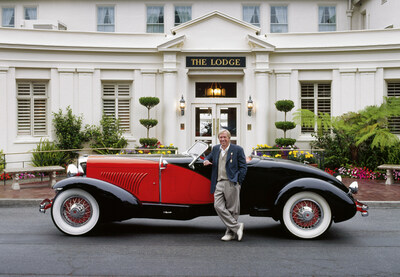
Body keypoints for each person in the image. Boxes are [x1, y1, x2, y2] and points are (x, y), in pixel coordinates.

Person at [203, 129, 247, 241]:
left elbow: (243, 167)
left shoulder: (237, 149)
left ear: (229, 138)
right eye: (220, 137)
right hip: (219, 182)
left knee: (232, 209)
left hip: (231, 182)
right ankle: (237, 227)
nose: (222, 139)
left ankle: (230, 233)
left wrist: (238, 181)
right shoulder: (216, 148)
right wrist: (206, 160)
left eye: (225, 137)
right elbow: (209, 157)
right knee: (217, 206)